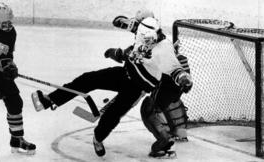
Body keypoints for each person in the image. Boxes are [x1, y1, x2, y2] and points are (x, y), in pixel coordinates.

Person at [31, 17, 192, 157]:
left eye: (148, 40)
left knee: (112, 115)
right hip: (124, 73)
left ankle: (98, 138)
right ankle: (50, 100)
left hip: (136, 88)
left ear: (155, 35)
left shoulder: (164, 49)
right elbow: (130, 31)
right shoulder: (143, 32)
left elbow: (175, 69)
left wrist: (183, 78)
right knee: (87, 79)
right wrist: (119, 51)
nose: (145, 42)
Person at [112, 10, 192, 158]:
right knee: (171, 99)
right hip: (177, 75)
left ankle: (163, 142)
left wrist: (121, 54)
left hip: (171, 77)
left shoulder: (157, 46)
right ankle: (180, 131)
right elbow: (124, 24)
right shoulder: (153, 31)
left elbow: (168, 67)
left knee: (150, 108)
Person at [0, 2, 36, 155]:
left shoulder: (10, 33)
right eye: (5, 23)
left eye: (9, 22)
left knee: (15, 102)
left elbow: (7, 55)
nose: (9, 25)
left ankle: (17, 139)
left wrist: (10, 66)